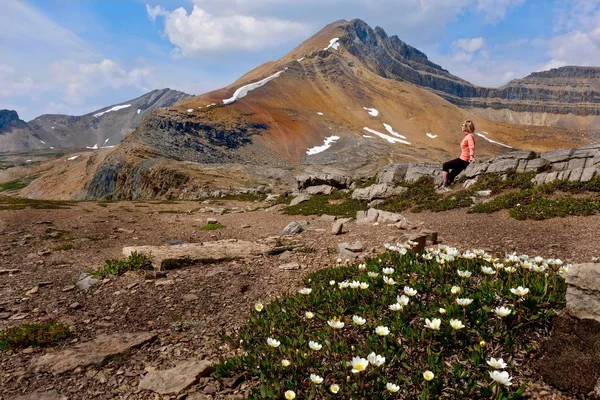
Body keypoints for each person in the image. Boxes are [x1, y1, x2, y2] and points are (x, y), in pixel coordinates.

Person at [438, 120, 475, 190]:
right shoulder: (467, 136)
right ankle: (446, 187)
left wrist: (471, 156)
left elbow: (471, 146)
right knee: (451, 175)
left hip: (463, 160)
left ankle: (445, 185)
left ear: (467, 127)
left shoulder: (469, 136)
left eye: (463, 125)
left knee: (445, 165)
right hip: (463, 159)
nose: (461, 126)